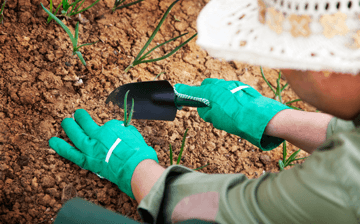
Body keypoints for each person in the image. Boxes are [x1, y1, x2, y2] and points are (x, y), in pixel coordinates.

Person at [50, 0, 360, 223]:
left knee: (79, 219)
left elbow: (224, 212)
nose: (280, 68)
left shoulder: (342, 184)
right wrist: (269, 117)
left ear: (324, 68)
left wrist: (133, 167)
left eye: (281, 58)